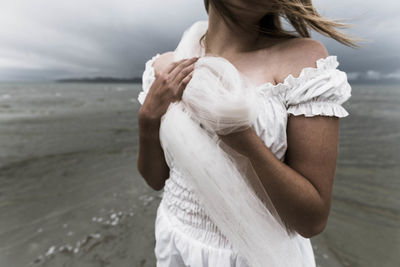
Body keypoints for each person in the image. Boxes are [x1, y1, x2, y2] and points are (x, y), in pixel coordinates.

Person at [137, 0, 358, 266]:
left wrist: (238, 137)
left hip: (256, 257)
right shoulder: (166, 67)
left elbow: (312, 220)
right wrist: (148, 121)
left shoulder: (303, 62)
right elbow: (155, 180)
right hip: (177, 244)